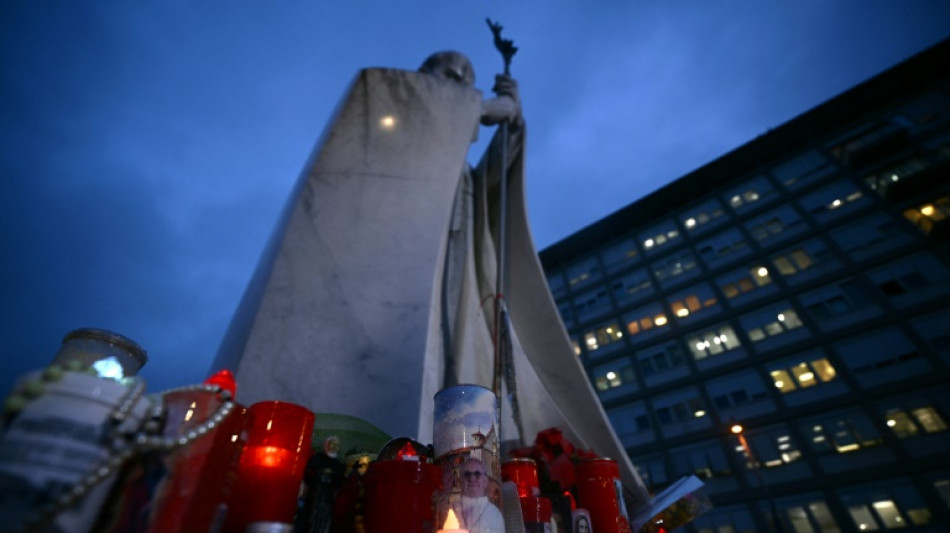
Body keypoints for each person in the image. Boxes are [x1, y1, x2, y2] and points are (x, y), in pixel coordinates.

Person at [451, 457, 505, 533]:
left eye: (477, 474)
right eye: (467, 474)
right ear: (460, 482)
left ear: (485, 481)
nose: (472, 478)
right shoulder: (452, 511)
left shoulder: (495, 514)